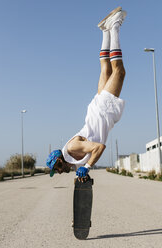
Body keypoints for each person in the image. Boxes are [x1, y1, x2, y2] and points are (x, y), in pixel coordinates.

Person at [46, 7, 127, 181]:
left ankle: (114, 26)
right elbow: (86, 158)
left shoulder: (72, 148)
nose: (59, 172)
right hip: (97, 111)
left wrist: (88, 167)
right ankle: (105, 31)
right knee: (105, 69)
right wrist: (83, 171)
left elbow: (99, 147)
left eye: (57, 168)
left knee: (118, 71)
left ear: (59, 160)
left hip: (103, 111)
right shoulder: (71, 157)